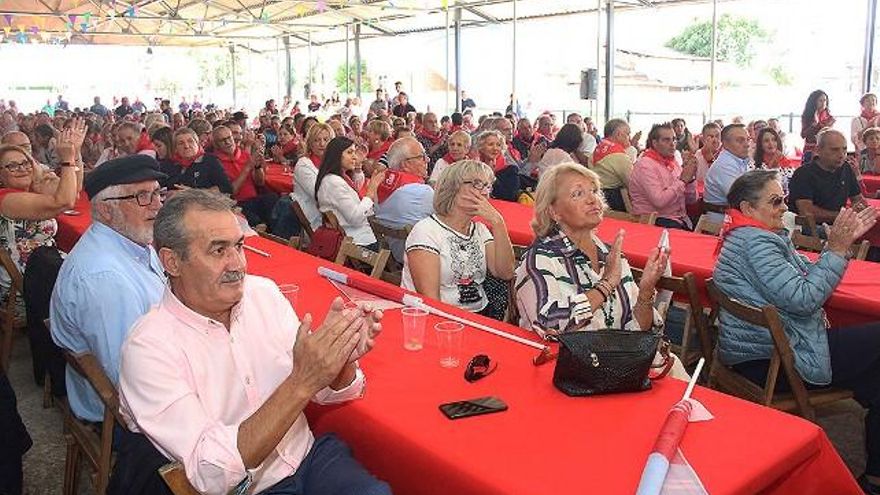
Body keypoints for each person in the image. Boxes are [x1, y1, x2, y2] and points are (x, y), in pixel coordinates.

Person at [114, 189, 390, 495]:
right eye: (218, 251)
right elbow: (209, 472)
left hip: (306, 457)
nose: (237, 265)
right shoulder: (148, 348)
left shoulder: (263, 294)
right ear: (172, 262)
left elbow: (327, 393)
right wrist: (303, 380)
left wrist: (341, 359)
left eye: (239, 246)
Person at [712, 169, 880, 494]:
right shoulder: (755, 242)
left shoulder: (743, 234)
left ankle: (874, 478)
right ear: (748, 208)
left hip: (759, 353)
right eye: (775, 201)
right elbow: (804, 299)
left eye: (783, 199)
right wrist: (836, 250)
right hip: (771, 361)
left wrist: (833, 252)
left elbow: (800, 281)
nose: (783, 207)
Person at [50, 155, 168, 423]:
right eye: (142, 196)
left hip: (158, 362)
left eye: (157, 194)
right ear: (105, 210)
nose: (157, 205)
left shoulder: (131, 240)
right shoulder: (105, 279)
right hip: (127, 415)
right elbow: (130, 377)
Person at [514, 163, 669, 338]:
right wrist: (606, 284)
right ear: (554, 211)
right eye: (578, 193)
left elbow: (638, 332)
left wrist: (645, 293)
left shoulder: (613, 257)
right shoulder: (540, 258)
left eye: (594, 191)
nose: (592, 199)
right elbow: (548, 324)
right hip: (560, 363)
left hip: (616, 361)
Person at [402, 160, 515, 320]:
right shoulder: (427, 231)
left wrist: (498, 222)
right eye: (476, 184)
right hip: (439, 319)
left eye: (487, 186)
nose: (484, 193)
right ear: (452, 188)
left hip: (480, 315)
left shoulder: (479, 230)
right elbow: (431, 301)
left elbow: (506, 272)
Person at [315, 137, 385, 249]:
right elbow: (355, 218)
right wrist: (370, 193)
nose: (355, 157)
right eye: (349, 152)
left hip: (355, 236)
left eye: (354, 152)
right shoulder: (334, 182)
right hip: (358, 241)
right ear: (337, 155)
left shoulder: (339, 178)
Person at [375, 137, 435, 261]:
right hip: (421, 260)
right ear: (406, 164)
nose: (427, 160)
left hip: (394, 255)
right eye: (422, 156)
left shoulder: (379, 185)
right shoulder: (422, 192)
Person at [788, 129, 865, 226]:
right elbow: (806, 212)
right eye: (835, 149)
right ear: (818, 150)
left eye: (844, 149)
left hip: (838, 225)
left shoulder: (846, 168)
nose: (841, 155)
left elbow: (858, 199)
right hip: (810, 230)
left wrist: (861, 209)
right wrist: (843, 216)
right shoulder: (803, 174)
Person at [628, 122, 697, 230]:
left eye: (674, 139)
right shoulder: (645, 165)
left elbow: (692, 200)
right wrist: (683, 181)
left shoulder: (673, 162)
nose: (672, 143)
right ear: (654, 143)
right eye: (666, 140)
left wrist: (691, 179)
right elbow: (659, 201)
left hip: (677, 219)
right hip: (653, 222)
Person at [211, 125, 278, 228]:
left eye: (229, 138)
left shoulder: (244, 155)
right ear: (216, 144)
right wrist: (247, 168)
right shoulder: (214, 162)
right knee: (257, 221)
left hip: (254, 200)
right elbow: (232, 191)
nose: (228, 142)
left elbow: (260, 182)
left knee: (273, 199)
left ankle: (280, 237)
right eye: (222, 140)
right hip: (235, 204)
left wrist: (257, 167)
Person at [161, 128, 233, 194]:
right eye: (181, 143)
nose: (186, 146)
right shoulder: (169, 165)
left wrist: (193, 192)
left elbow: (225, 188)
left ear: (197, 143)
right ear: (176, 148)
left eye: (190, 141)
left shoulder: (210, 161)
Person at [703, 124, 752, 222]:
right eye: (740, 140)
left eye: (748, 139)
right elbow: (742, 199)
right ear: (725, 144)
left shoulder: (739, 161)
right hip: (720, 224)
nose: (747, 144)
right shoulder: (724, 165)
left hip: (733, 218)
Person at [292, 123, 334, 232]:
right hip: (316, 222)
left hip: (334, 217)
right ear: (310, 143)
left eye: (326, 139)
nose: (322, 144)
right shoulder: (304, 165)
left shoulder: (333, 163)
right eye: (317, 140)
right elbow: (320, 195)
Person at [591, 118, 633, 212]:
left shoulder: (598, 149)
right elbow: (631, 184)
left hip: (597, 195)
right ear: (618, 134)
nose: (629, 137)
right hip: (613, 200)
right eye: (628, 134)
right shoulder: (619, 156)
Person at [476, 130, 520, 202]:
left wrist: (491, 175)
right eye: (490, 144)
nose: (495, 148)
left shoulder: (511, 170)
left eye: (498, 145)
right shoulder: (474, 168)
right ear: (481, 148)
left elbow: (510, 196)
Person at [754, 127, 798, 195]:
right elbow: (763, 185)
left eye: (774, 140)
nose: (771, 143)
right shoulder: (755, 164)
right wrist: (773, 162)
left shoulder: (785, 161)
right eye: (766, 141)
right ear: (761, 145)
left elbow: (792, 183)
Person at [801, 90, 835, 164]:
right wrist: (813, 127)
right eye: (820, 100)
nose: (823, 103)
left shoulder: (830, 118)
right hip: (809, 149)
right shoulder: (807, 116)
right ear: (814, 102)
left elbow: (828, 134)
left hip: (825, 149)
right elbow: (803, 135)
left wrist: (820, 125)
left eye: (825, 100)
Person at [695, 122, 721, 190]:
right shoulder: (697, 156)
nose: (715, 140)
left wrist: (710, 160)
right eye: (711, 137)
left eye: (717, 136)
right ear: (703, 140)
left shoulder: (725, 154)